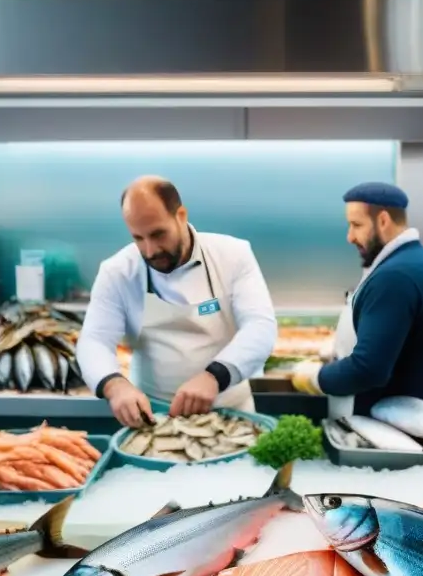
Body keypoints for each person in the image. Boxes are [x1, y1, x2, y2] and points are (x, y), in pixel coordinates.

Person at [76, 176, 278, 427]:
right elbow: (95, 340)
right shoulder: (116, 271)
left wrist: (214, 377)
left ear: (180, 215)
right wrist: (114, 385)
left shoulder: (233, 255)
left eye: (158, 234)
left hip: (231, 414)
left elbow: (261, 327)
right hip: (154, 418)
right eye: (138, 238)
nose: (150, 251)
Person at [289, 181, 423, 419]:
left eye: (356, 225)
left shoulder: (396, 276)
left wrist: (314, 377)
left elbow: (368, 370)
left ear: (383, 220)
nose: (350, 237)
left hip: (395, 430)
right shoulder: (416, 262)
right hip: (411, 419)